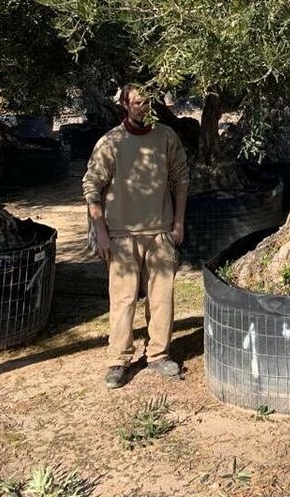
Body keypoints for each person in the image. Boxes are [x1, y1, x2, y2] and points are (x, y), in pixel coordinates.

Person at [82, 84, 189, 389]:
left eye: (149, 102)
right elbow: (92, 186)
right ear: (125, 105)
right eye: (138, 102)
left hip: (160, 232)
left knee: (161, 297)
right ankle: (119, 359)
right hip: (121, 234)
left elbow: (181, 177)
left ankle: (159, 354)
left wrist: (178, 221)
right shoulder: (111, 142)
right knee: (123, 299)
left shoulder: (167, 137)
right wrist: (100, 233)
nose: (144, 107)